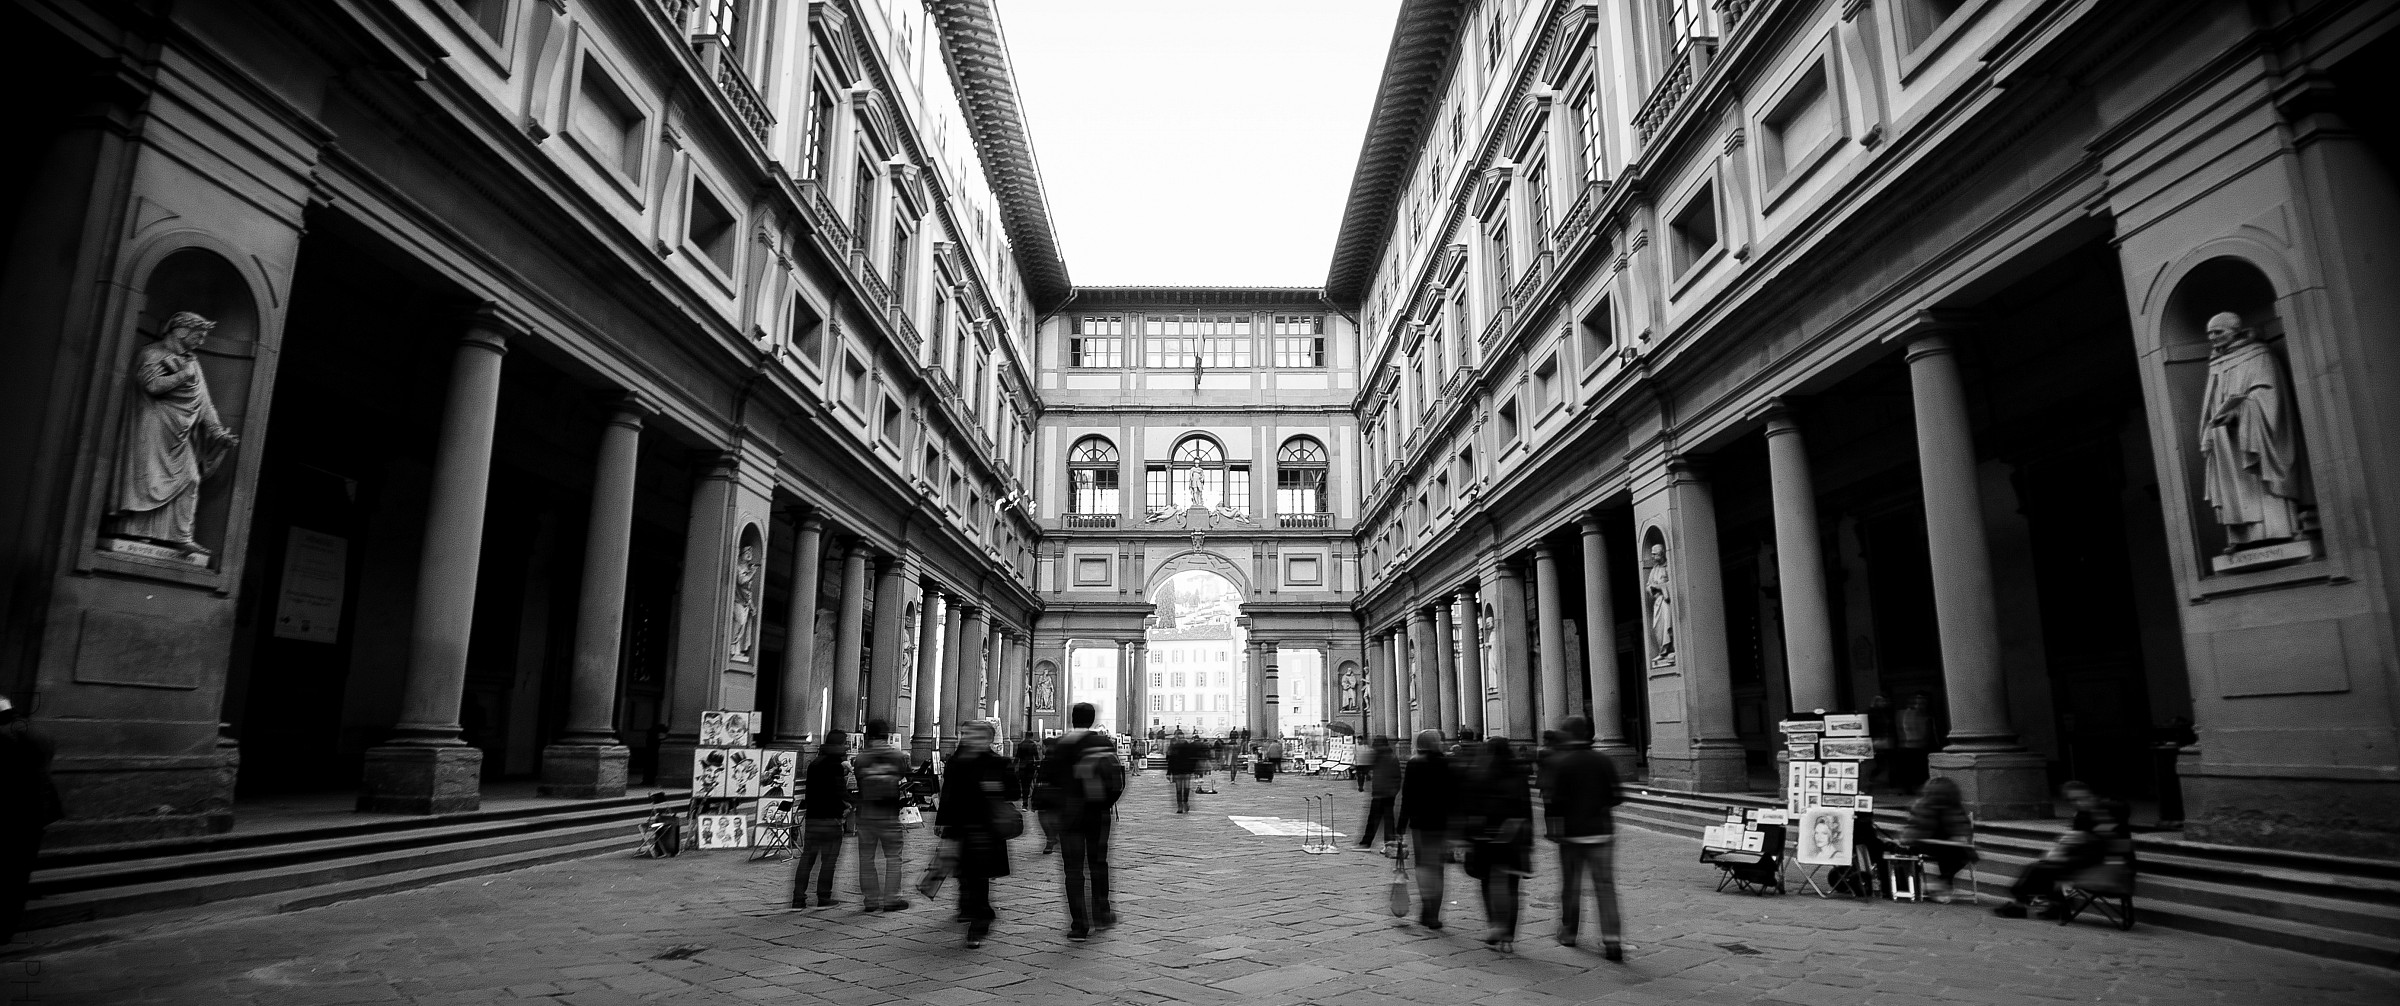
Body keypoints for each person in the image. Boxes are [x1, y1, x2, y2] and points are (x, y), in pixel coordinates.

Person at [1547, 716, 1625, 960]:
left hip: (1572, 836)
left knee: (1571, 886)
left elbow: (1554, 802)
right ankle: (1612, 940)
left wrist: (1555, 829)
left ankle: (1569, 933)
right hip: (1601, 832)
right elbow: (1616, 796)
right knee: (1605, 887)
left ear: (1569, 735)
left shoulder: (1562, 762)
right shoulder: (1603, 760)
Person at [936, 722, 1020, 948]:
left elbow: (1014, 791)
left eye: (974, 735)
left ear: (987, 739)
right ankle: (973, 909)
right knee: (965, 872)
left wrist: (994, 788)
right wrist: (942, 822)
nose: (969, 738)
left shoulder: (998, 763)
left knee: (979, 875)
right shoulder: (956, 762)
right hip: (961, 826)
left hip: (986, 828)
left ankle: (978, 923)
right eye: (967, 734)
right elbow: (948, 794)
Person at [1044, 702, 1123, 940]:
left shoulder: (1060, 746)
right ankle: (1102, 913)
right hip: (1098, 814)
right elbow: (1118, 780)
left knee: (1073, 870)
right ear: (1091, 720)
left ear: (1071, 718)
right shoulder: (1103, 743)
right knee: (1099, 864)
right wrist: (1106, 802)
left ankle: (1079, 924)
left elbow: (1046, 781)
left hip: (1069, 816)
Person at [1996, 782, 2125, 919]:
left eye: (2080, 799)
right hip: (2083, 856)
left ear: (2090, 795)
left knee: (2041, 871)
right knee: (2039, 867)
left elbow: (2105, 843)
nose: (2078, 803)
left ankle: (2028, 905)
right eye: (2073, 800)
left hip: (2098, 861)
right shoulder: (2083, 814)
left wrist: (2087, 839)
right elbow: (2076, 838)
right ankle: (2049, 904)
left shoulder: (2104, 812)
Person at [1, 697, 63, 944]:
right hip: (35, 815)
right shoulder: (42, 734)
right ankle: (7, 928)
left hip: (7, 815)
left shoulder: (2, 736)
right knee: (18, 874)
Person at [1468, 736, 1533, 950]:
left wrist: (1469, 836)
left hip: (1486, 837)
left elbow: (1473, 808)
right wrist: (1528, 841)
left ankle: (1494, 924)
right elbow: (1526, 809)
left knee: (1487, 881)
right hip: (1512, 836)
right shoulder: (1518, 774)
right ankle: (1508, 935)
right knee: (1512, 887)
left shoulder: (1480, 772)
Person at [1397, 729, 1456, 929]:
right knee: (1438, 869)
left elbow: (1407, 797)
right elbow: (1453, 796)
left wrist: (1400, 827)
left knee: (1423, 867)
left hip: (1420, 824)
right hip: (1441, 824)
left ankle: (1426, 907)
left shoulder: (1414, 763)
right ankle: (1434, 913)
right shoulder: (1447, 764)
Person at [852, 719, 912, 912]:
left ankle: (870, 900)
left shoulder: (861, 759)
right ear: (887, 736)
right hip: (888, 815)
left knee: (866, 858)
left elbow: (860, 780)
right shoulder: (897, 756)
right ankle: (891, 898)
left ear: (868, 735)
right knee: (893, 857)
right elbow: (904, 775)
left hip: (867, 814)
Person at [793, 730, 852, 908]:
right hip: (830, 820)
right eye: (845, 743)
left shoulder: (814, 763)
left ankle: (798, 898)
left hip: (813, 818)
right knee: (828, 861)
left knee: (807, 860)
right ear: (839, 745)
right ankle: (823, 896)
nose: (847, 746)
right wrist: (848, 806)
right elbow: (838, 793)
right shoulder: (835, 765)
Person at [1899, 777, 1975, 903]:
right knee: (1951, 852)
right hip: (1925, 843)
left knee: (1961, 852)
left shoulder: (1954, 808)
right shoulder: (1923, 806)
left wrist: (1959, 837)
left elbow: (1962, 829)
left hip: (1946, 844)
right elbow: (1915, 827)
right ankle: (1943, 884)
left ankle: (1943, 882)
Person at [1354, 735, 1401, 851]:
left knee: (1374, 819)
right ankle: (1388, 844)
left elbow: (1392, 776)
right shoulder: (1389, 756)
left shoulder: (1382, 756)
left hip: (1382, 793)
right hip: (1387, 792)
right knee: (1387, 819)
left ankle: (1367, 843)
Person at [1894, 694, 1939, 793]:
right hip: (1908, 746)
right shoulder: (1905, 713)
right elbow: (1903, 729)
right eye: (1917, 702)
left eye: (1922, 703)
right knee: (1910, 769)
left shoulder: (1927, 715)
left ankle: (1918, 787)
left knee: (1920, 768)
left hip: (1922, 746)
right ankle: (1910, 787)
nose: (1919, 705)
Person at [1166, 735, 1200, 813]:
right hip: (1181, 771)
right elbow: (1171, 761)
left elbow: (1193, 759)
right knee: (1180, 789)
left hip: (1184, 771)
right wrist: (1169, 772)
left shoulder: (1178, 747)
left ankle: (1184, 803)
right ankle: (1180, 805)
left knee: (1185, 788)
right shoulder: (1184, 747)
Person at [1013, 733, 1043, 807]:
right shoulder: (1033, 745)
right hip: (1030, 767)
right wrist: (1038, 765)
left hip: (1022, 767)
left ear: (1025, 736)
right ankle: (1027, 802)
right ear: (1031, 736)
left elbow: (1017, 757)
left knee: (1023, 785)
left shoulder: (1020, 744)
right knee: (1028, 784)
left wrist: (1013, 766)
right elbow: (1036, 757)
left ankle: (1024, 802)